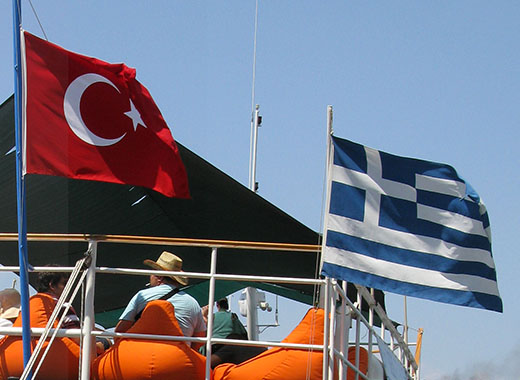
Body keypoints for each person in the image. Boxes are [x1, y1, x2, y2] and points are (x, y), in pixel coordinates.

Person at [115, 251, 206, 349]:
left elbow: (120, 332)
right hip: (178, 358)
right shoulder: (192, 303)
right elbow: (199, 339)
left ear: (159, 277)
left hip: (142, 355)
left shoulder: (142, 295)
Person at [37, 266, 110, 353]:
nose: (68, 288)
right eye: (65, 284)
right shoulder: (63, 307)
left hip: (34, 352)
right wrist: (100, 346)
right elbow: (78, 340)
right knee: (107, 341)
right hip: (63, 355)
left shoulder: (27, 307)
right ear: (52, 285)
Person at [203, 297, 266, 368]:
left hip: (213, 347)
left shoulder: (212, 317)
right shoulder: (232, 316)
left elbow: (205, 331)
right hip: (228, 346)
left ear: (217, 305)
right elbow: (242, 332)